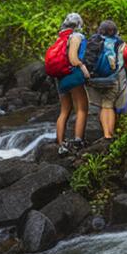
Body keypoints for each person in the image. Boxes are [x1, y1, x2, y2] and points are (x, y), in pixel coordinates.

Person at [51, 13, 90, 155]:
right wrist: (83, 67)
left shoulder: (60, 38)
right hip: (72, 75)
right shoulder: (76, 37)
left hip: (60, 77)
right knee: (82, 108)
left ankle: (61, 144)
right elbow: (73, 58)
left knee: (64, 111)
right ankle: (78, 140)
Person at [85, 20, 127, 142]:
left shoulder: (95, 41)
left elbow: (87, 59)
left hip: (96, 78)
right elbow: (123, 62)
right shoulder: (119, 43)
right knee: (108, 106)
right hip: (112, 78)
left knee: (104, 106)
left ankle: (107, 134)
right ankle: (108, 135)